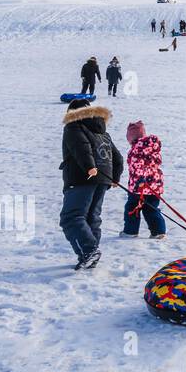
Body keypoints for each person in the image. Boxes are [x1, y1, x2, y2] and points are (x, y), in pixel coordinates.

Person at [59, 98, 123, 269]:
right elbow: (117, 157)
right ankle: (90, 255)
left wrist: (89, 167)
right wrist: (115, 177)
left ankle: (89, 252)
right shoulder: (102, 131)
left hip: (81, 177)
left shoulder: (73, 126)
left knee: (71, 217)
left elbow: (81, 147)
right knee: (91, 217)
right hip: (103, 179)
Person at [120, 120, 166, 238]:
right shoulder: (153, 148)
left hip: (140, 187)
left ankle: (130, 232)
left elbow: (138, 167)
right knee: (151, 209)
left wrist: (140, 181)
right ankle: (158, 232)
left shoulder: (136, 150)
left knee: (132, 209)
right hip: (155, 186)